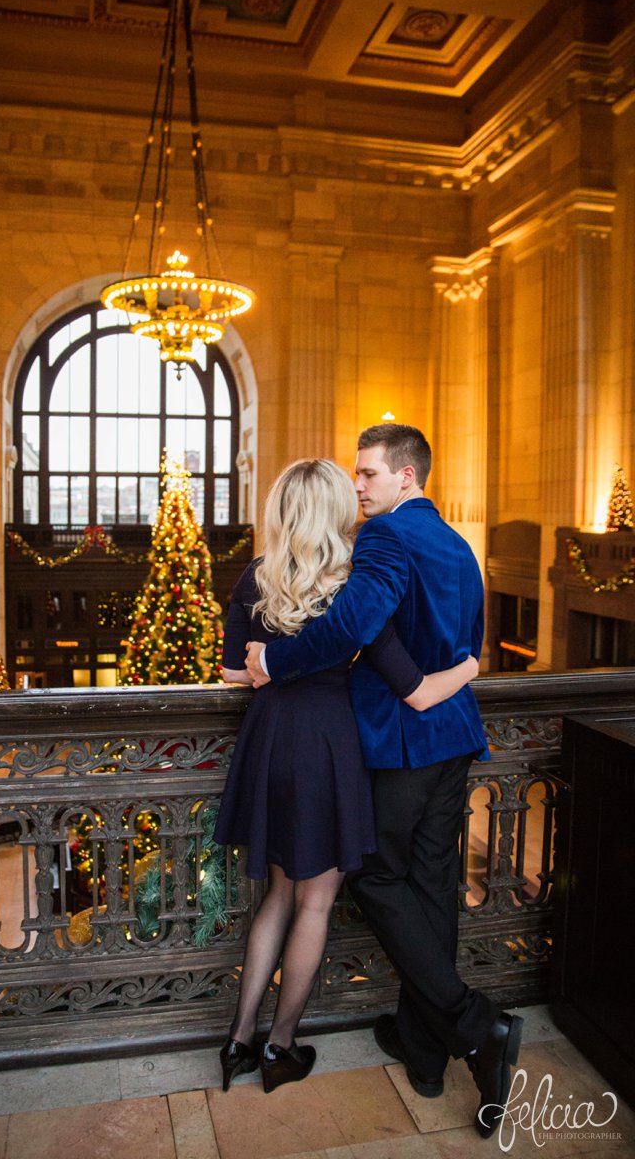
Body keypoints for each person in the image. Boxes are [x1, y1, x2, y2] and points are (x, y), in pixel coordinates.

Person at [245, 425, 522, 1139]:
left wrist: (275, 663)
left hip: (401, 742)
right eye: (356, 476)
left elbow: (356, 624)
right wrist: (456, 679)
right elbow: (472, 640)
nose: (358, 487)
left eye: (369, 474)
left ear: (406, 476)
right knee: (431, 886)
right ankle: (424, 1051)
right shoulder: (459, 544)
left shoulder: (384, 538)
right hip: (453, 739)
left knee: (369, 877)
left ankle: (474, 1024)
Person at [215, 458, 479, 1096]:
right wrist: (470, 668)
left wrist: (265, 664)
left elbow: (230, 672)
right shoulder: (350, 582)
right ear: (335, 508)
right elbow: (410, 685)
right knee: (317, 902)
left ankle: (237, 1041)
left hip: (269, 740)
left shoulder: (256, 576)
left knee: (277, 897)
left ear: (281, 509)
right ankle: (281, 1048)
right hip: (330, 746)